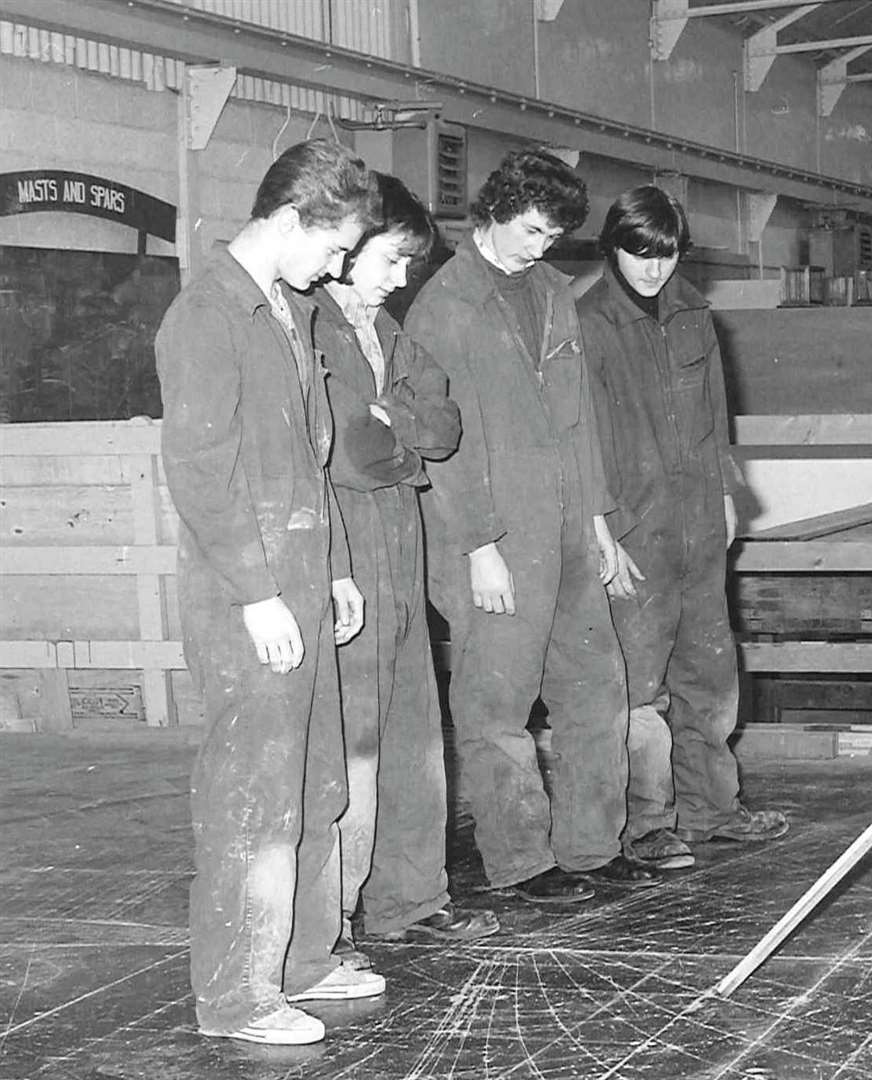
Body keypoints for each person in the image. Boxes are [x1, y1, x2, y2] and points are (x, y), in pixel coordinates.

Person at [156, 139, 386, 1046]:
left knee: (317, 778)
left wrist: (328, 570)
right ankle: (235, 998)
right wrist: (257, 594)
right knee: (252, 794)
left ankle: (301, 960)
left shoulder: (284, 311)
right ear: (289, 220)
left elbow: (307, 457)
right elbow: (199, 470)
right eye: (333, 249)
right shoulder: (207, 314)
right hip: (243, 594)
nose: (337, 268)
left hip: (297, 577)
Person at [406, 148, 655, 904]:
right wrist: (479, 548)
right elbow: (438, 443)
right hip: (493, 539)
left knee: (596, 692)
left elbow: (578, 422)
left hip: (570, 531)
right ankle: (520, 860)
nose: (538, 247)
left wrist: (600, 524)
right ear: (493, 209)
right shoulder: (442, 306)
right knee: (496, 707)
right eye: (530, 230)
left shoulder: (551, 293)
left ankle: (591, 844)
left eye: (550, 237)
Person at [313, 173, 499, 955]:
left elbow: (445, 421)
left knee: (416, 737)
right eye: (392, 261)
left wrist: (393, 425)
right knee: (349, 750)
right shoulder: (309, 329)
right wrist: (393, 431)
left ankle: (411, 901)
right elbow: (349, 452)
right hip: (345, 550)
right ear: (347, 246)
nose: (400, 280)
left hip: (400, 544)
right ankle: (332, 922)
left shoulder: (387, 329)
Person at [577, 186, 788, 870]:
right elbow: (579, 434)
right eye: (638, 252)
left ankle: (711, 810)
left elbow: (714, 412)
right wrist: (603, 525)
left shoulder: (695, 313)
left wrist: (726, 494)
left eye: (664, 254)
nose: (652, 267)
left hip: (697, 520)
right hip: (634, 526)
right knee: (640, 686)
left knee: (710, 673)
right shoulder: (586, 320)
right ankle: (646, 824)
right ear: (611, 245)